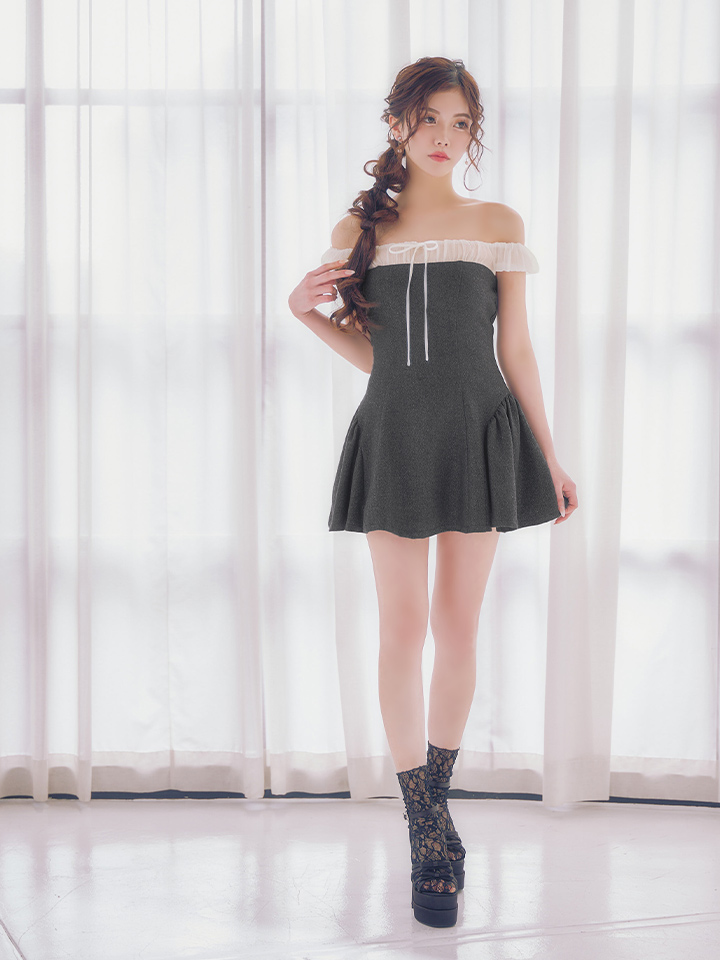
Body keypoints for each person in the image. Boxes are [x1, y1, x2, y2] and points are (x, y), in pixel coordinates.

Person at [288, 56, 578, 928]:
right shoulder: (356, 230)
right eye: (429, 120)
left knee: (457, 629)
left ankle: (431, 809)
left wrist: (550, 455)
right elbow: (378, 357)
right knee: (400, 629)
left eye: (460, 123)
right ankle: (427, 828)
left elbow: (515, 350)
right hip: (395, 435)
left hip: (481, 433)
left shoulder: (497, 223)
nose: (445, 137)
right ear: (397, 126)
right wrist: (303, 314)